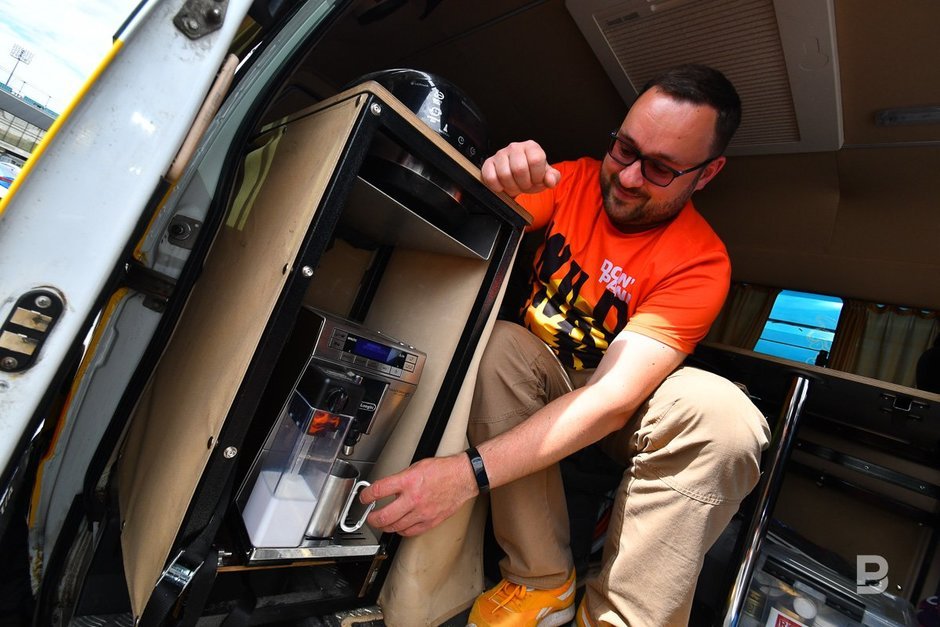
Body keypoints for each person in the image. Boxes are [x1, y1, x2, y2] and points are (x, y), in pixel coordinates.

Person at [360, 64, 771, 626]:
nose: (628, 178)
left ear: (707, 173)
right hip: (538, 379)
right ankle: (541, 582)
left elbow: (612, 399)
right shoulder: (572, 181)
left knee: (725, 419)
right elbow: (478, 216)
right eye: (624, 149)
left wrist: (463, 475)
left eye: (660, 168)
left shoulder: (700, 261)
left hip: (624, 403)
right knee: (500, 343)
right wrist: (498, 180)